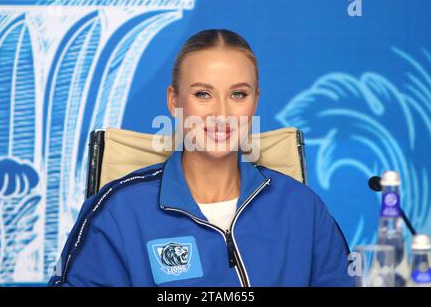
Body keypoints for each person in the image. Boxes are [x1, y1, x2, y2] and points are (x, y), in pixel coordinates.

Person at [49, 29, 354, 287]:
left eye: (238, 94)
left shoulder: (303, 208)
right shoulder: (116, 212)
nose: (221, 114)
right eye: (203, 94)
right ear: (173, 101)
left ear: (255, 101)